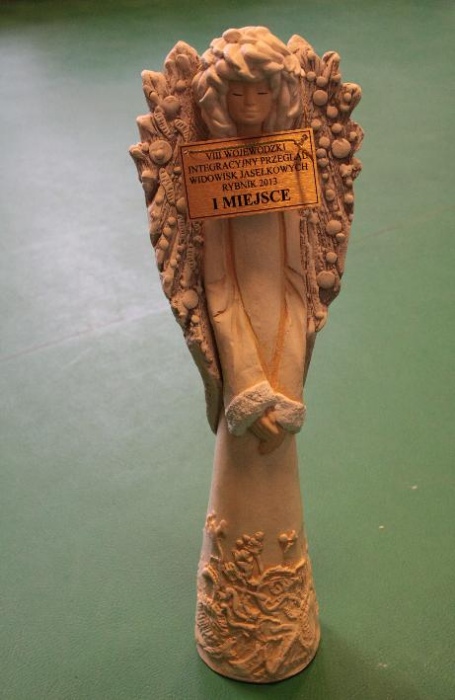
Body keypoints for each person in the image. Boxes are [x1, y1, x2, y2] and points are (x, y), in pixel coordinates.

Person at [192, 27, 308, 453]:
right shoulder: (212, 171)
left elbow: (297, 282)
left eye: (261, 92)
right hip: (239, 330)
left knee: (275, 446)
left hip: (281, 323)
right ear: (218, 98)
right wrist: (246, 386)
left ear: (280, 94)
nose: (251, 104)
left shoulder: (290, 162)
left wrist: (286, 386)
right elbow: (217, 284)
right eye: (238, 94)